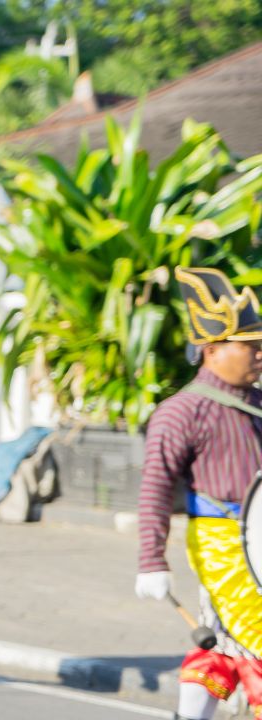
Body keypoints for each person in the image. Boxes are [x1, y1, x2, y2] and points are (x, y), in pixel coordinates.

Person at [136, 267, 262, 720]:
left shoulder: (258, 405)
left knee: (224, 637)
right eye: (250, 346)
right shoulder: (181, 412)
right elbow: (154, 486)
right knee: (256, 634)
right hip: (221, 544)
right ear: (212, 350)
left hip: (259, 541)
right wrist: (152, 560)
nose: (260, 354)